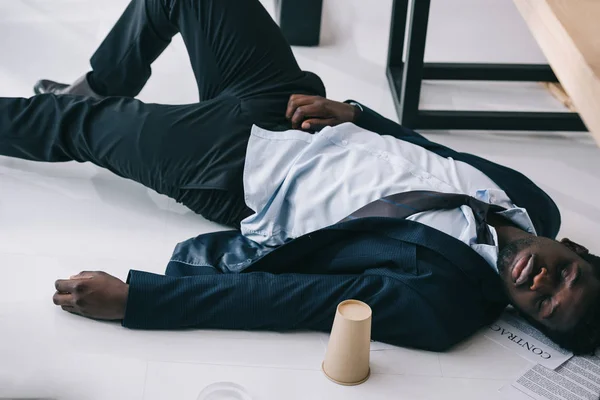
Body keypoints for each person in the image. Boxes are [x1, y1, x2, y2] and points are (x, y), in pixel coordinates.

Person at [2, 0, 599, 353]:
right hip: (294, 108)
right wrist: (357, 113)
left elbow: (297, 301)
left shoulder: (444, 302)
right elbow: (434, 155)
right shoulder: (533, 201)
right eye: (565, 273)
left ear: (531, 319)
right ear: (571, 247)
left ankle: (83, 105)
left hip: (240, 166)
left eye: (545, 305)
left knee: (77, 126)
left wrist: (141, 300)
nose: (540, 280)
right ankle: (102, 80)